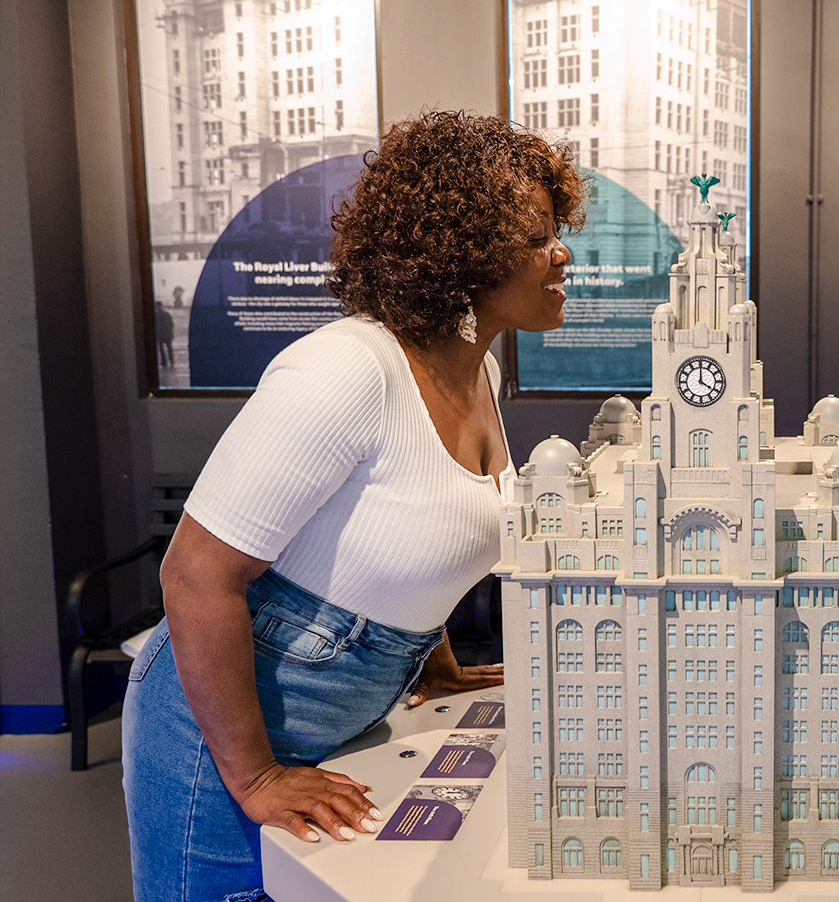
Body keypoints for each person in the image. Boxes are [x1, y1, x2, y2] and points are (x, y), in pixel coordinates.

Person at [122, 111, 588, 902]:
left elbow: (401, 531)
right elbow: (196, 575)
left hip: (346, 723)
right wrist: (258, 773)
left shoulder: (482, 377)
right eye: (538, 236)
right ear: (461, 253)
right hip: (216, 736)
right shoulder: (346, 370)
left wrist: (431, 663)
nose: (561, 253)